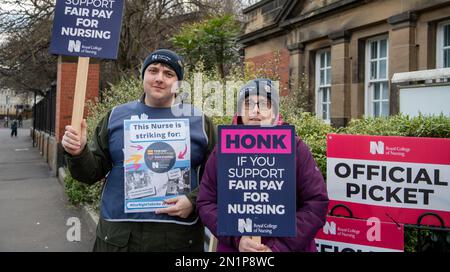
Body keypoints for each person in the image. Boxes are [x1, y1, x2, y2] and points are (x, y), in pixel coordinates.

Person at [62, 49, 216, 252]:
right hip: (118, 236)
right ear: (143, 76)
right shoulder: (116, 116)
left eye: (169, 74)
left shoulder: (200, 122)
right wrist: (78, 152)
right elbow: (91, 173)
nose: (159, 78)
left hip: (178, 237)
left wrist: (192, 200)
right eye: (153, 70)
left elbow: (217, 179)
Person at [197, 78, 329, 252]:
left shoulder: (296, 148)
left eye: (265, 104)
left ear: (275, 112)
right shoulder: (222, 150)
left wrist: (277, 247)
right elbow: (206, 202)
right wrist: (237, 238)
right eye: (248, 104)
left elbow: (316, 203)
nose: (255, 110)